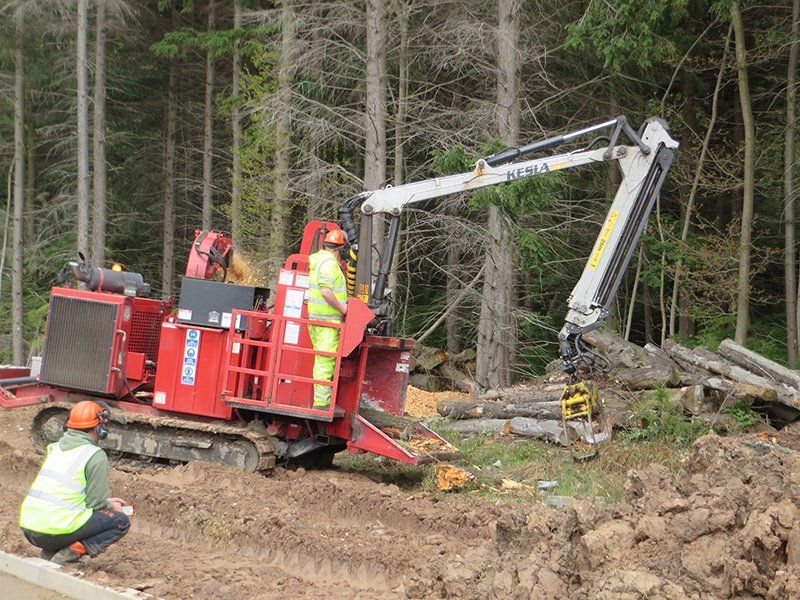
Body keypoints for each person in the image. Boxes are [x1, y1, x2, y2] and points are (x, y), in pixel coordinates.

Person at [19, 401, 131, 565]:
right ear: (99, 429)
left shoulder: (54, 448)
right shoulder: (94, 455)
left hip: (30, 528)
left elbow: (66, 493)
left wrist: (106, 502)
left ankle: (48, 554)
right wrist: (111, 507)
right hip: (52, 531)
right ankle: (67, 556)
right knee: (120, 522)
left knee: (69, 520)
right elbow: (96, 503)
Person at [306, 229, 349, 408]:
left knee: (321, 360)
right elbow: (326, 291)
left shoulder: (318, 261)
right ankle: (321, 404)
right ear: (341, 248)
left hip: (318, 319)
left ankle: (321, 402)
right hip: (328, 321)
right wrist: (343, 309)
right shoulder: (330, 264)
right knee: (325, 360)